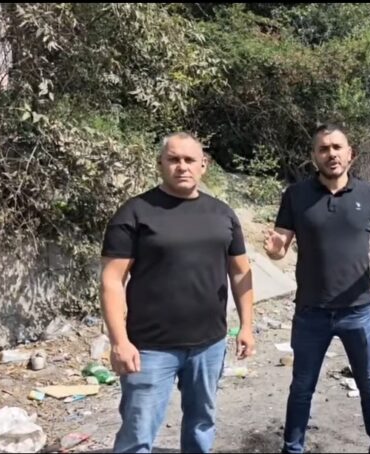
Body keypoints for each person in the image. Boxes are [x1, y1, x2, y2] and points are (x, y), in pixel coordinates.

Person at [100, 132, 255, 453]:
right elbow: (112, 280)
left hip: (209, 345)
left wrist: (247, 327)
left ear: (203, 164)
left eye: (189, 159)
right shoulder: (135, 212)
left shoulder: (222, 214)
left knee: (201, 423)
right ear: (160, 164)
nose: (182, 166)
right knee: (137, 433)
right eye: (173, 159)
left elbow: (240, 272)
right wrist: (119, 341)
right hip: (149, 348)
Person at [264, 123, 370, 454]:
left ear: (350, 153)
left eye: (337, 147)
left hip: (358, 311)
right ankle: (293, 448)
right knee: (302, 387)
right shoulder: (296, 195)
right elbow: (280, 245)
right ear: (314, 156)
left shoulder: (368, 194)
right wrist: (273, 250)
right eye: (323, 149)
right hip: (310, 312)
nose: (331, 154)